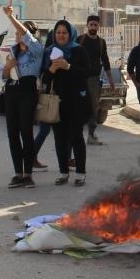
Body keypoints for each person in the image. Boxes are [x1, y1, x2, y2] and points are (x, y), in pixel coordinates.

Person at [41, 20, 91, 186]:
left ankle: (80, 173)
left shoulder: (79, 51)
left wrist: (68, 67)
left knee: (76, 137)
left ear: (70, 34)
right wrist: (52, 70)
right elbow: (44, 80)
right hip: (57, 102)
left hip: (76, 101)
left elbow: (86, 74)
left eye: (64, 32)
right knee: (59, 139)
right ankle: (63, 172)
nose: (61, 35)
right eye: (58, 32)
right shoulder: (49, 52)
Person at [0, 6, 42, 188]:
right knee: (12, 133)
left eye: (20, 33)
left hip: (27, 90)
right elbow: (3, 76)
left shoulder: (37, 50)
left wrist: (11, 17)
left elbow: (26, 35)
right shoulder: (13, 51)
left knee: (26, 131)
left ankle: (28, 174)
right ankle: (18, 173)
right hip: (12, 91)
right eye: (16, 34)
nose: (18, 36)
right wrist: (8, 67)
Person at [77, 14, 115, 146]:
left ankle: (91, 135)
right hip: (79, 79)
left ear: (99, 26)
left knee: (94, 107)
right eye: (91, 24)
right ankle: (75, 135)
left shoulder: (101, 42)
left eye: (95, 25)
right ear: (87, 25)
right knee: (78, 107)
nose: (93, 27)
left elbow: (105, 61)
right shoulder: (80, 40)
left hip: (94, 80)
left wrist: (111, 80)